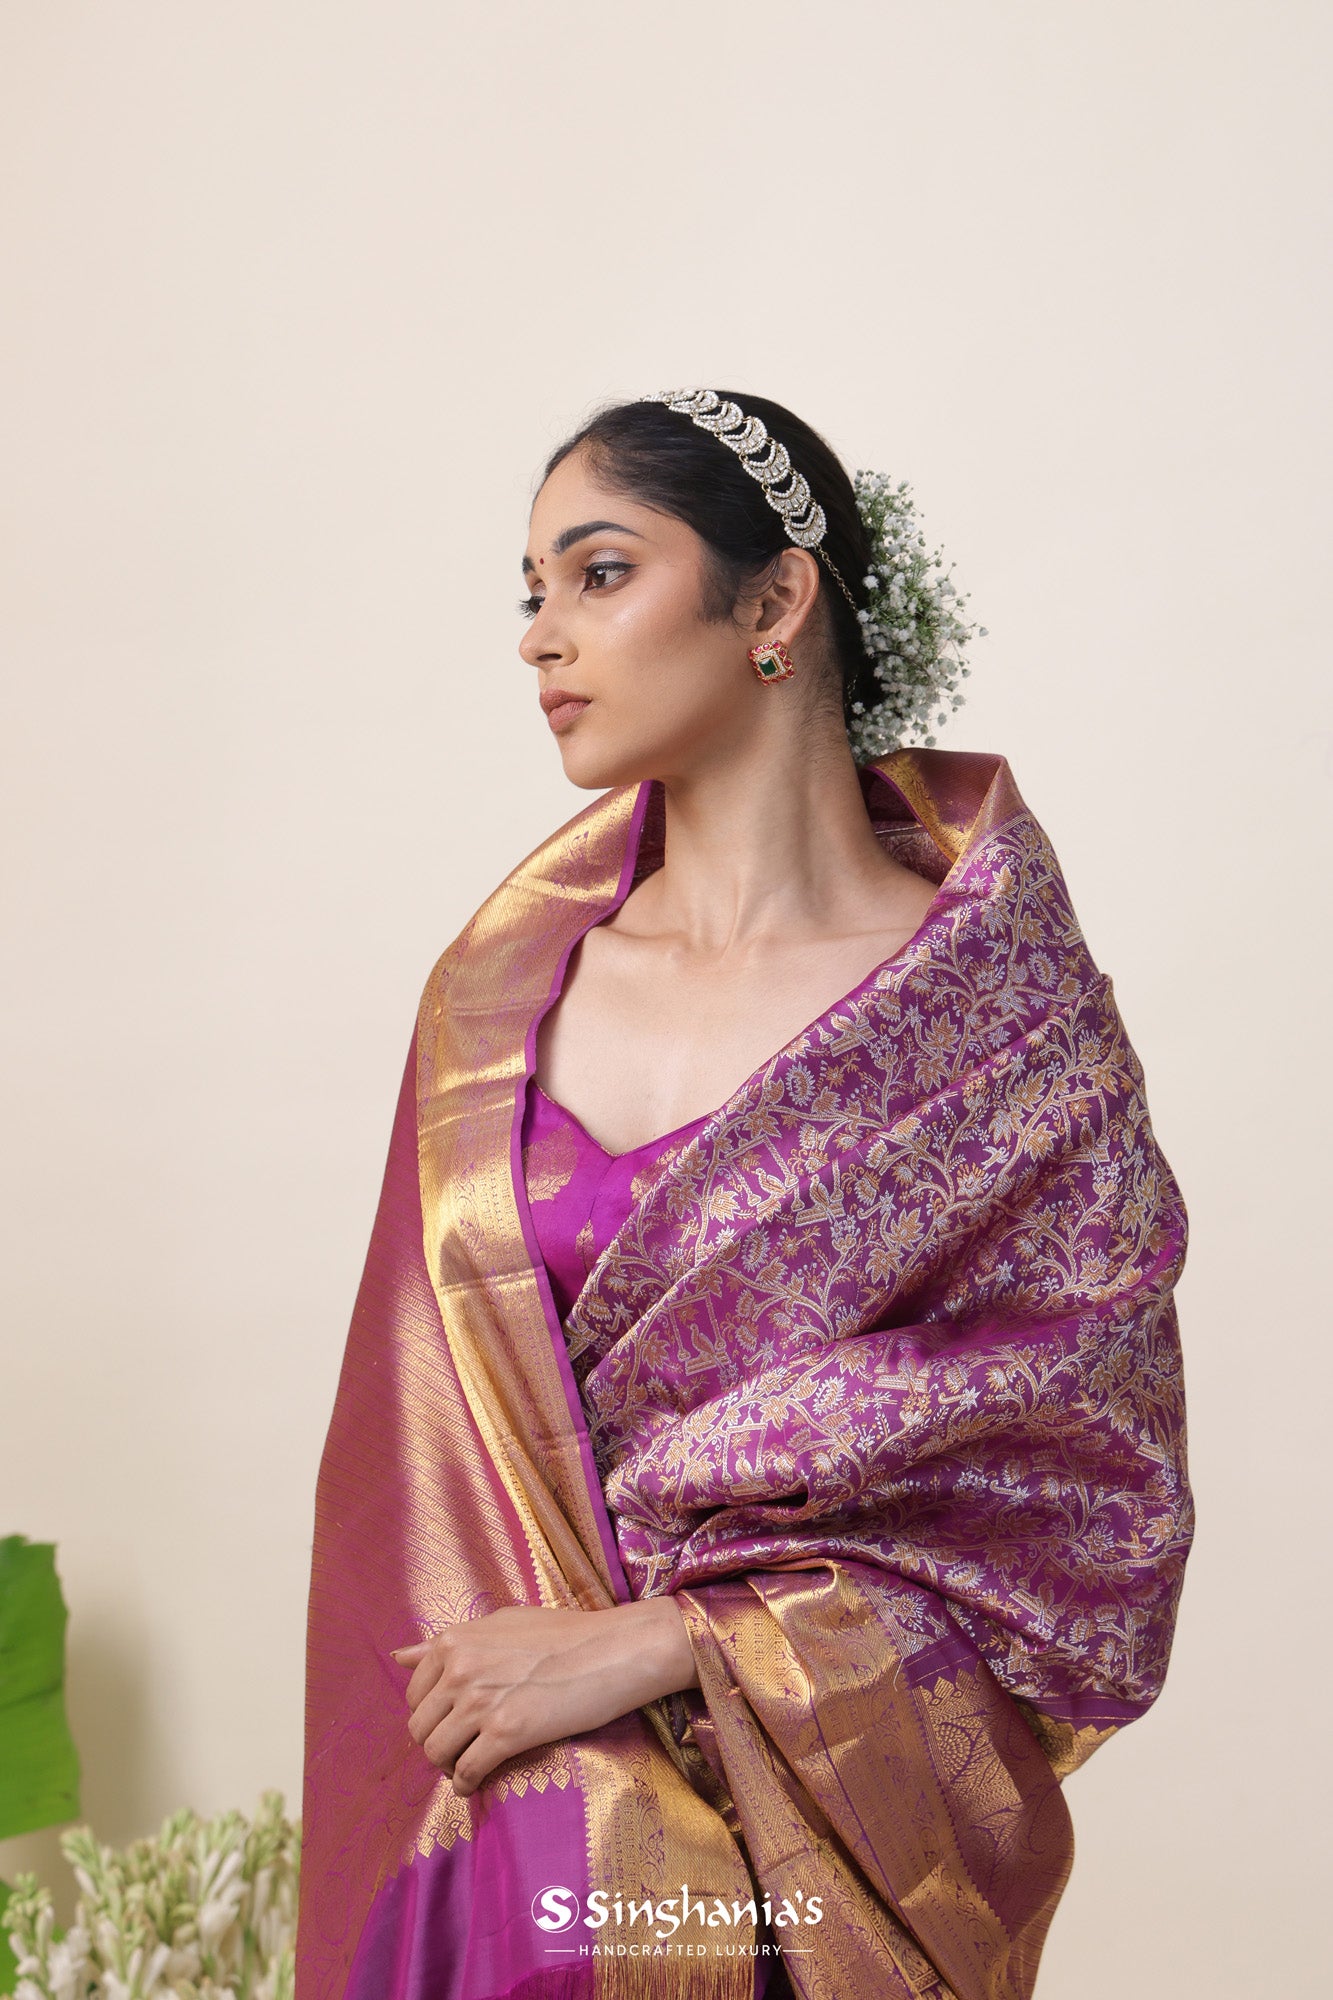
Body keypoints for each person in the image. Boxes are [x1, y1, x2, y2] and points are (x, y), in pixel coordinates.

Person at [295, 390, 1193, 2000]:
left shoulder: (996, 1027)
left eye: (599, 573)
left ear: (773, 601)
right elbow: (410, 1471)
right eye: (531, 590)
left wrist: (669, 1642)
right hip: (498, 1844)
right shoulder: (492, 1011)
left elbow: (1080, 1515)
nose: (539, 636)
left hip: (812, 1857)